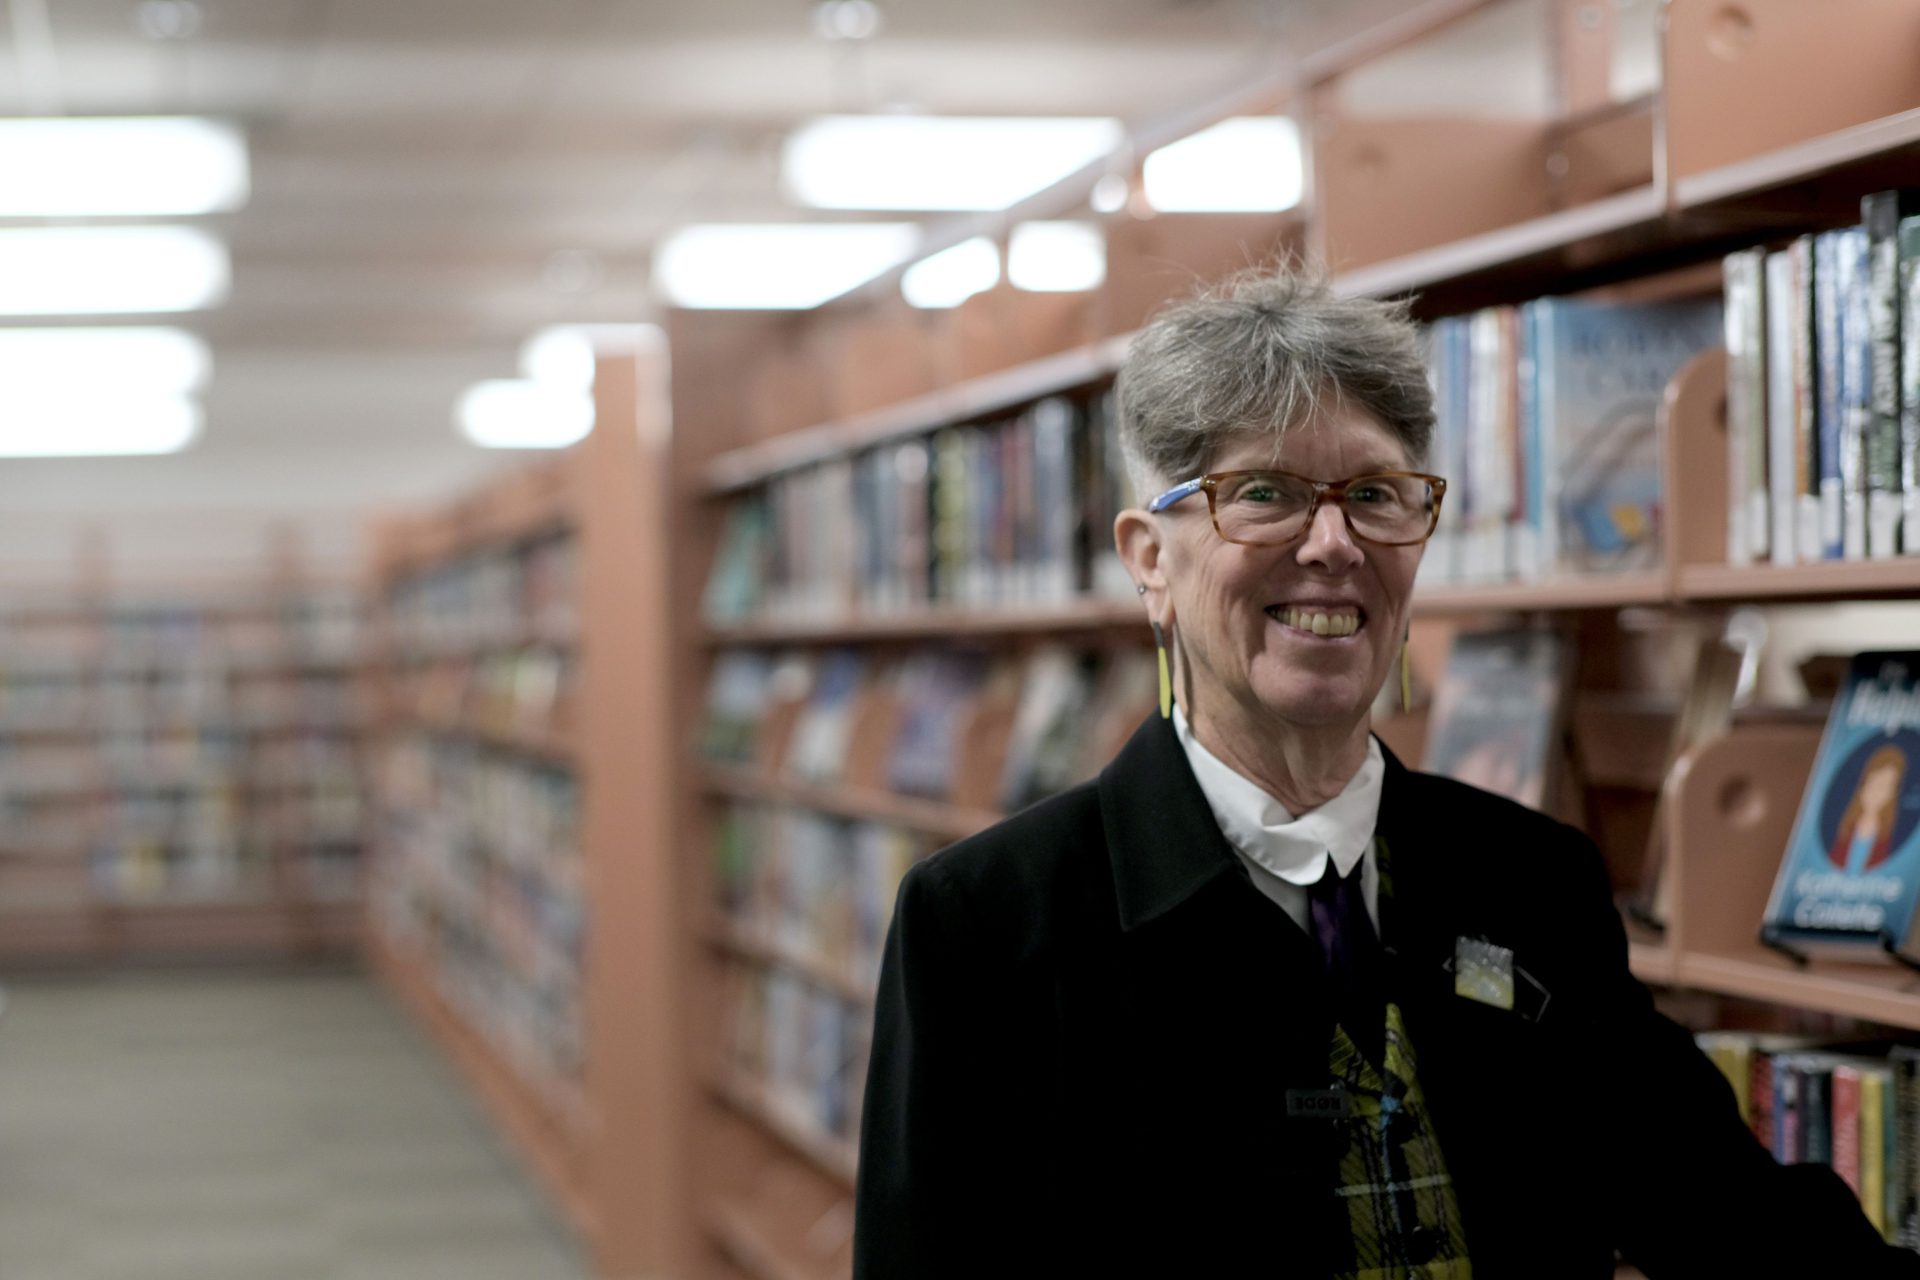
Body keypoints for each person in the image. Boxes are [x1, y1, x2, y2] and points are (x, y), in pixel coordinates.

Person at [850, 265, 1920, 1279]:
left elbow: (1722, 1212)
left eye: (1375, 491)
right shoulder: (988, 924)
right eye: (1263, 492)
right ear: (1149, 557)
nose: (1332, 542)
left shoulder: (1531, 878)